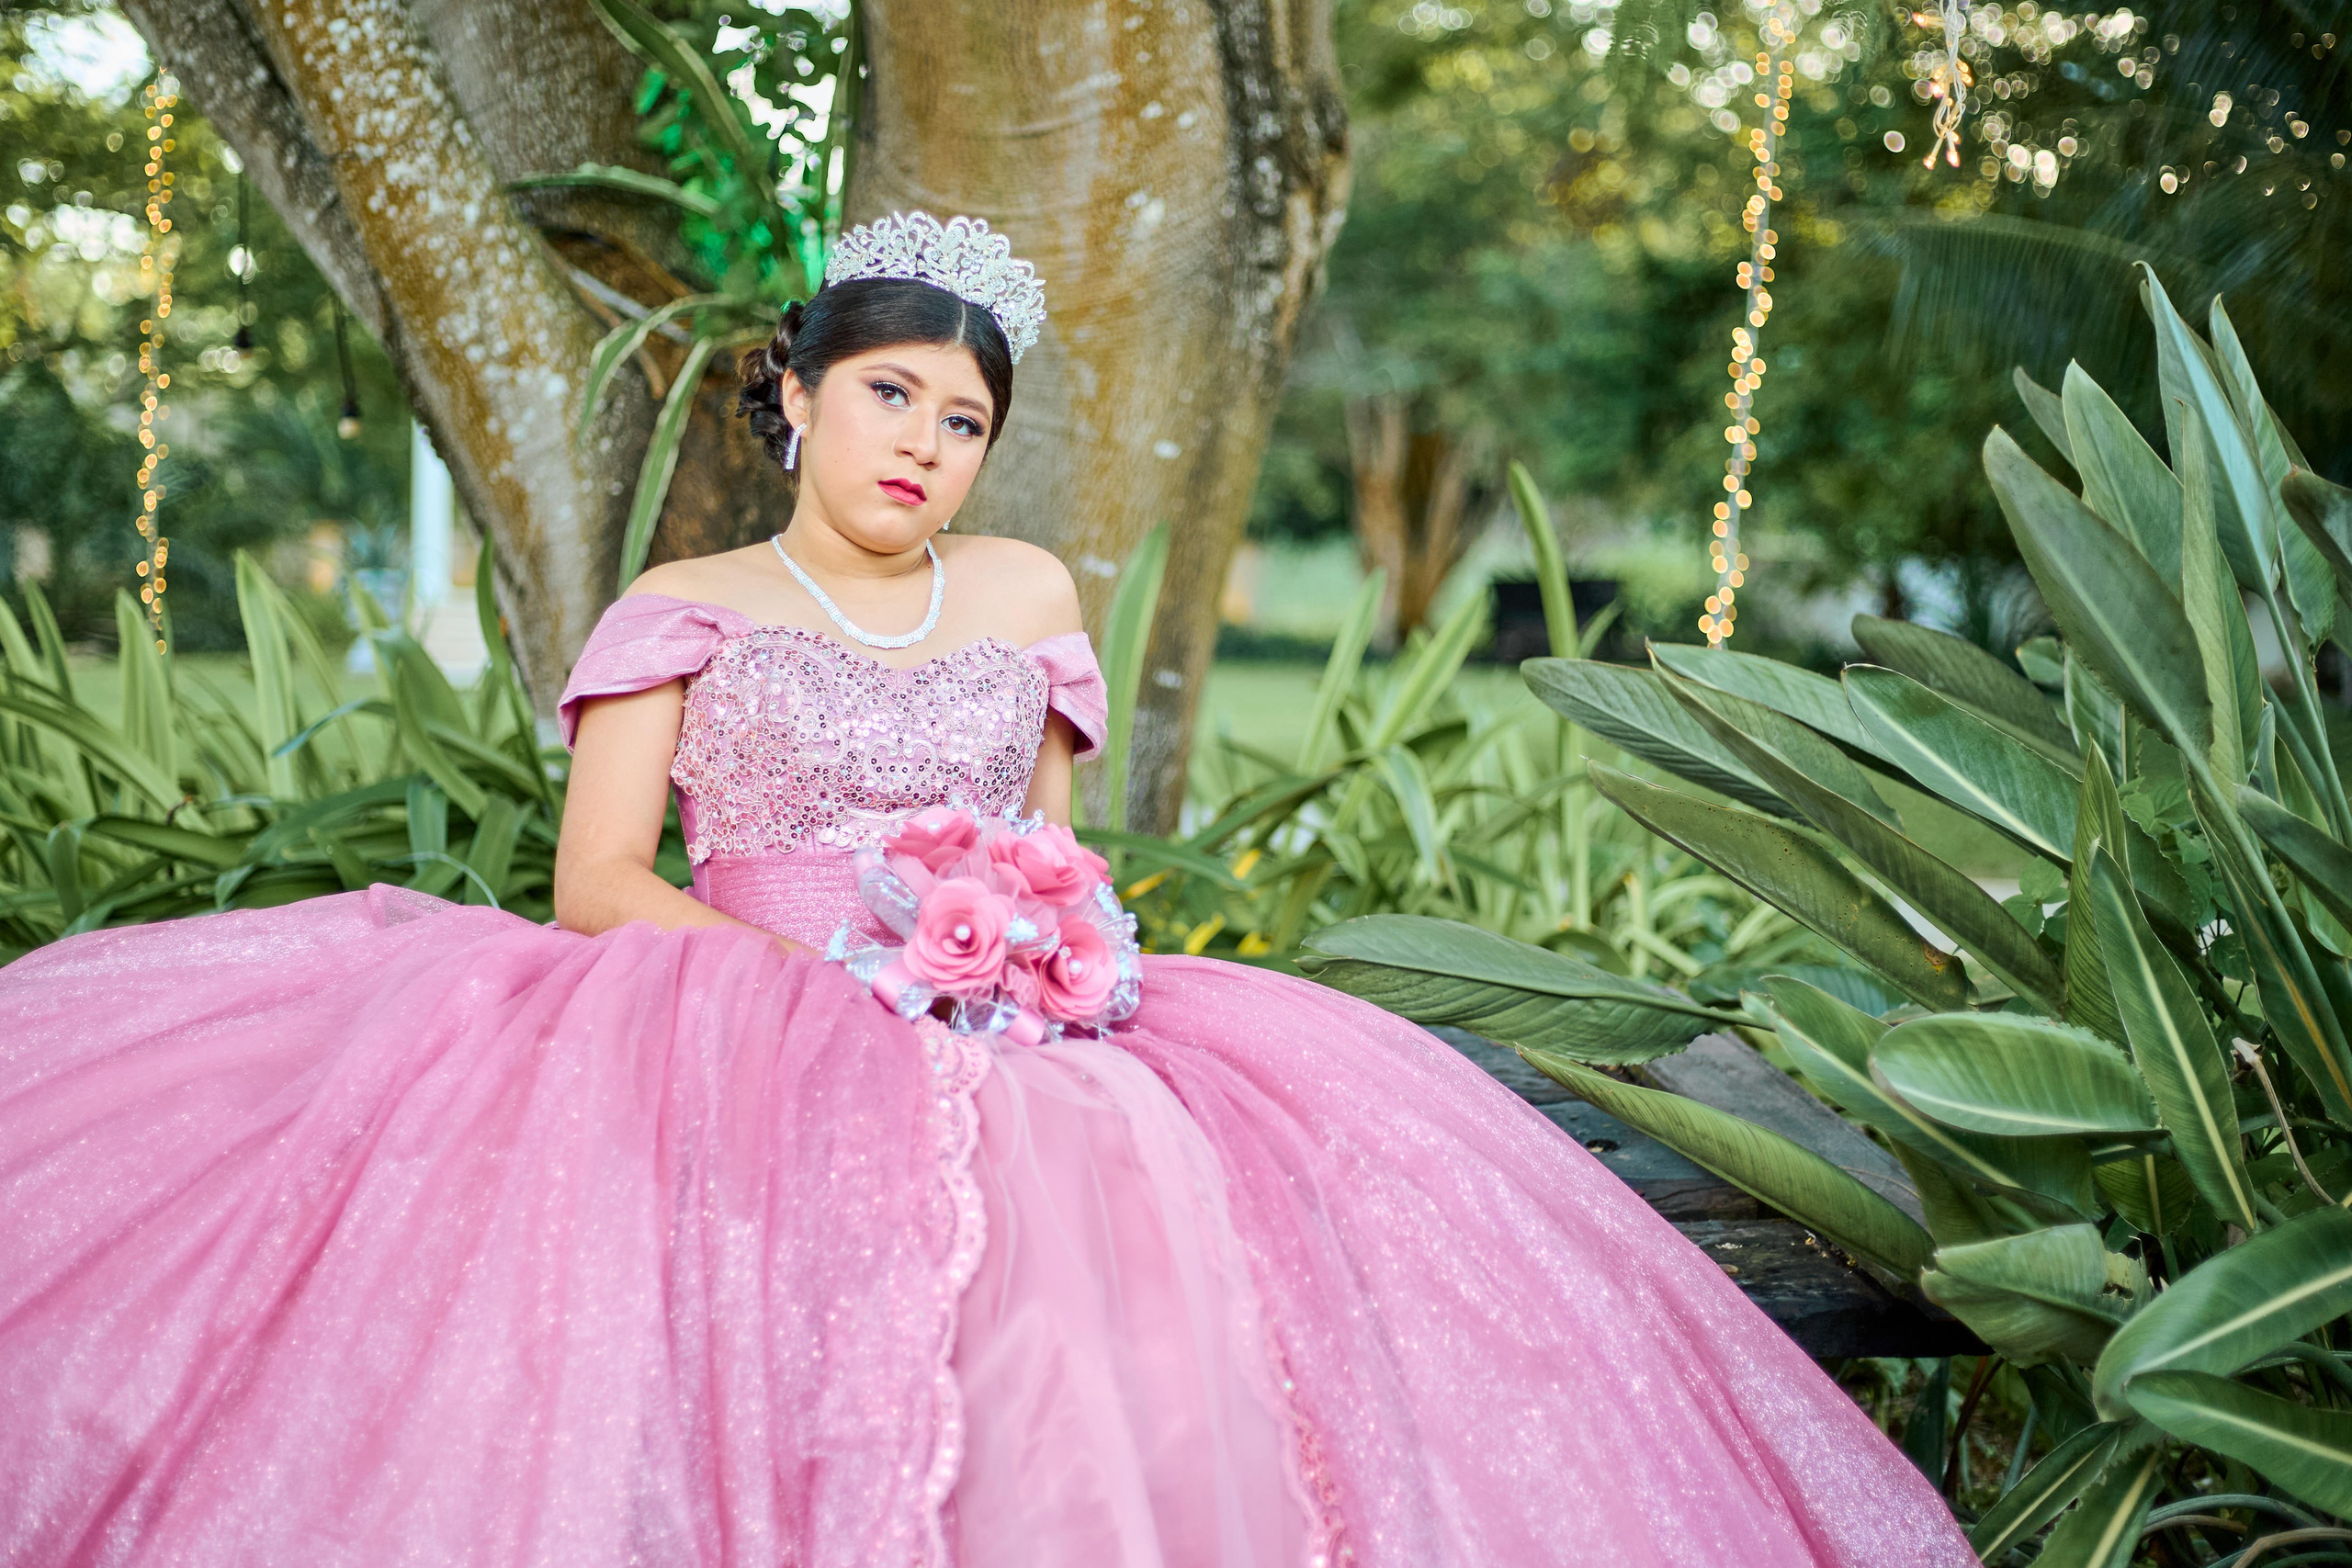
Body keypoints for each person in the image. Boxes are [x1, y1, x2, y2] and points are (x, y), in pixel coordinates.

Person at [0, 210, 1974, 1568]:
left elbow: (1051, 846)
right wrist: (824, 984)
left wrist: (1041, 954)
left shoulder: (1024, 594)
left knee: (1166, 1262)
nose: (925, 447)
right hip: (723, 999)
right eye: (890, 398)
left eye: (963, 424)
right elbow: (594, 878)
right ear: (794, 395)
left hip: (1004, 1020)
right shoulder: (683, 602)